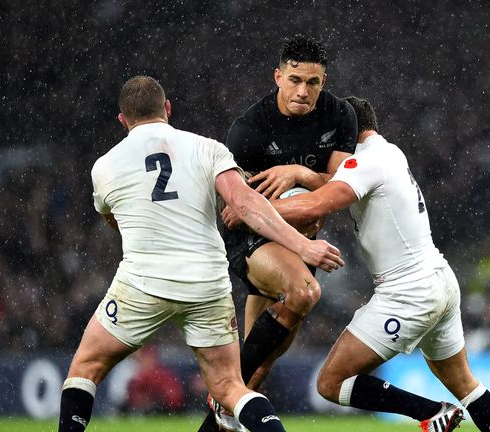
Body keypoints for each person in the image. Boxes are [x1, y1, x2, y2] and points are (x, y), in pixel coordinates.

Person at [57, 75, 345, 432]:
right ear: (167, 109)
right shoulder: (207, 148)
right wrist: (304, 246)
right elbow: (244, 203)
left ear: (122, 120)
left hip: (143, 283)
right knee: (230, 388)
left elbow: (114, 220)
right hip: (206, 283)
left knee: (85, 368)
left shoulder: (104, 166)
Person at [268, 96, 490, 432]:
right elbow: (333, 180)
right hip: (439, 279)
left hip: (407, 291)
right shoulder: (389, 152)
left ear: (347, 132)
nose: (325, 147)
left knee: (331, 382)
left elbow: (317, 205)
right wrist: (300, 172)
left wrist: (251, 208)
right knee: (465, 383)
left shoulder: (365, 162)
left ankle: (429, 411)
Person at [198, 33, 358, 432]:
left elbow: (343, 190)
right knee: (303, 292)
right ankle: (225, 389)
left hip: (299, 239)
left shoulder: (339, 116)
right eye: (294, 80)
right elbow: (238, 212)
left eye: (313, 83)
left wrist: (300, 174)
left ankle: (220, 407)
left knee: (255, 376)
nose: (303, 92)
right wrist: (302, 203)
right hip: (255, 239)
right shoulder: (250, 129)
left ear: (324, 81)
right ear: (277, 77)